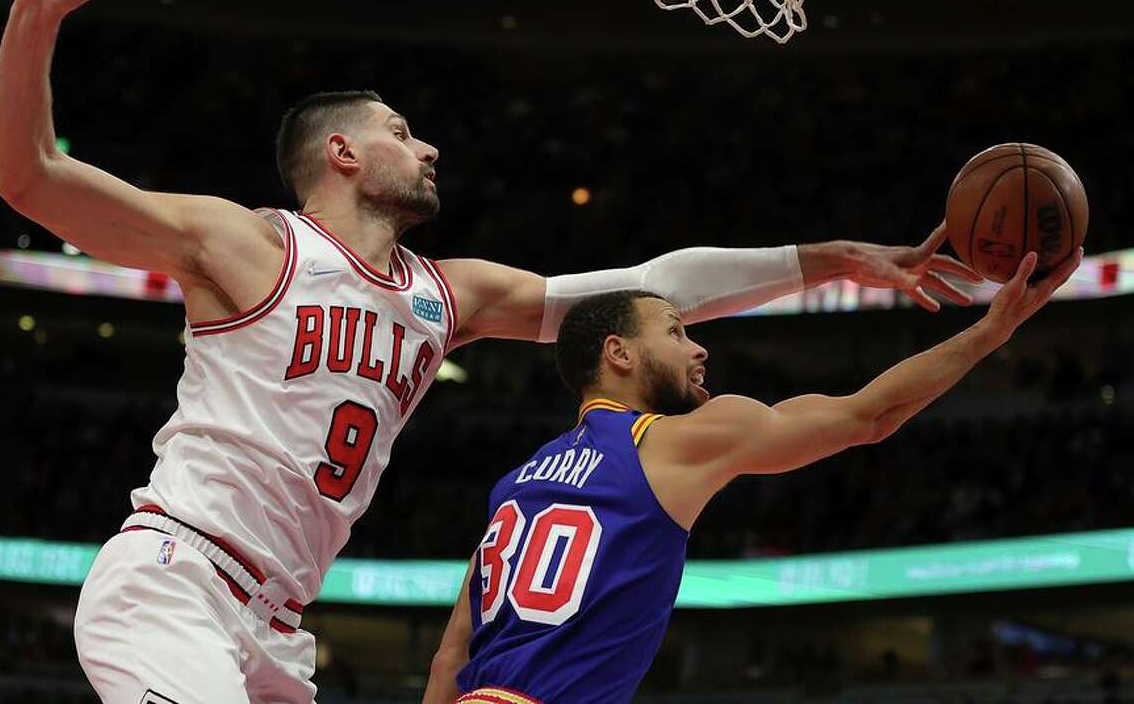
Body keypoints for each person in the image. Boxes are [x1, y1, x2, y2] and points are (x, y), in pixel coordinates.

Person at [0, 0, 982, 703]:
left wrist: (826, 258)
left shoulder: (446, 294)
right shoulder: (249, 245)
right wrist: (35, 13)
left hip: (279, 626)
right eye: (403, 131)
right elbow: (25, 175)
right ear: (342, 153)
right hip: (178, 575)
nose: (428, 148)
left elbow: (651, 287)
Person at [424, 248, 1081, 704]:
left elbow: (451, 654)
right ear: (617, 353)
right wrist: (993, 331)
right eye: (677, 331)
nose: (699, 346)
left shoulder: (514, 482)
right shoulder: (672, 440)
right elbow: (868, 415)